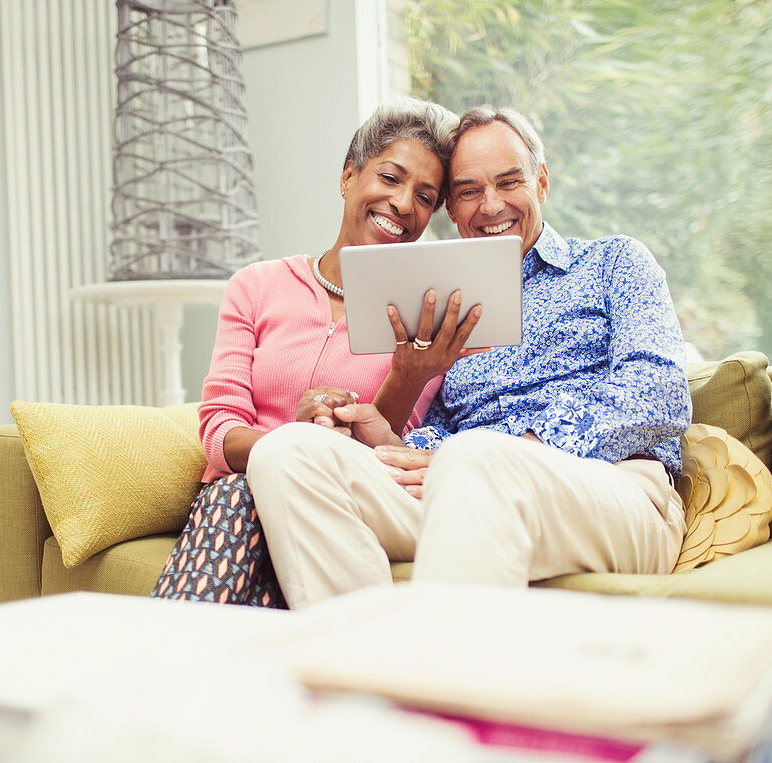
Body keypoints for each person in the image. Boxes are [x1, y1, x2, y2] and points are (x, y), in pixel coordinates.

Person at [246, 106, 691, 609]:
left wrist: (517, 447)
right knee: (288, 452)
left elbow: (659, 394)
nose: (492, 204)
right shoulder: (440, 300)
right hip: (461, 487)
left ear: (541, 184)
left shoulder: (615, 262)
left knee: (474, 456)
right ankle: (367, 664)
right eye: (468, 191)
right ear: (452, 212)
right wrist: (388, 440)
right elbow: (440, 436)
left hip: (612, 490)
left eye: (509, 182)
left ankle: (440, 680)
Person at [150, 98, 481, 608]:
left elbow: (387, 456)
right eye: (389, 178)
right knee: (240, 502)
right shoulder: (256, 286)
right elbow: (219, 430)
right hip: (239, 496)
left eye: (424, 196)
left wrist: (407, 376)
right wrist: (293, 440)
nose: (402, 204)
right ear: (349, 176)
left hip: (334, 500)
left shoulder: (425, 311)